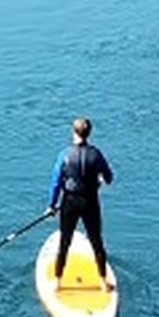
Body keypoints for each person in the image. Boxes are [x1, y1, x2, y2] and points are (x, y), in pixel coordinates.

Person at [49, 115, 114, 283]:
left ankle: (58, 282)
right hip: (90, 201)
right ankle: (103, 282)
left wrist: (52, 205)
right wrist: (100, 179)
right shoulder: (96, 154)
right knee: (96, 242)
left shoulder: (65, 154)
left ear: (74, 133)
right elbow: (108, 178)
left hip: (70, 202)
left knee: (65, 242)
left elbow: (56, 182)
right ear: (89, 133)